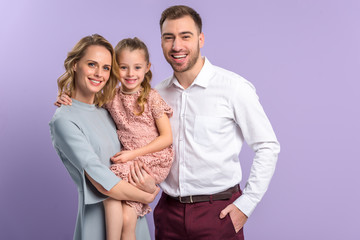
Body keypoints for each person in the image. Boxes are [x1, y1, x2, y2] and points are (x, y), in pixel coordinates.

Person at [151, 5, 281, 240]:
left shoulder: (234, 88)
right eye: (168, 37)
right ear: (161, 42)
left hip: (218, 214)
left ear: (201, 39)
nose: (176, 46)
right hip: (168, 215)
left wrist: (247, 204)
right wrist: (76, 99)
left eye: (185, 36)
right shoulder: (156, 95)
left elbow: (268, 146)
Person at [55, 37, 174, 240]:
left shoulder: (116, 106)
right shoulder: (73, 116)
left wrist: (142, 173)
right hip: (103, 214)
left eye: (106, 67)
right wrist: (149, 194)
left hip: (139, 189)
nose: (99, 73)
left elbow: (163, 138)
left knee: (129, 223)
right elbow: (104, 184)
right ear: (75, 65)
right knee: (120, 214)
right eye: (92, 64)